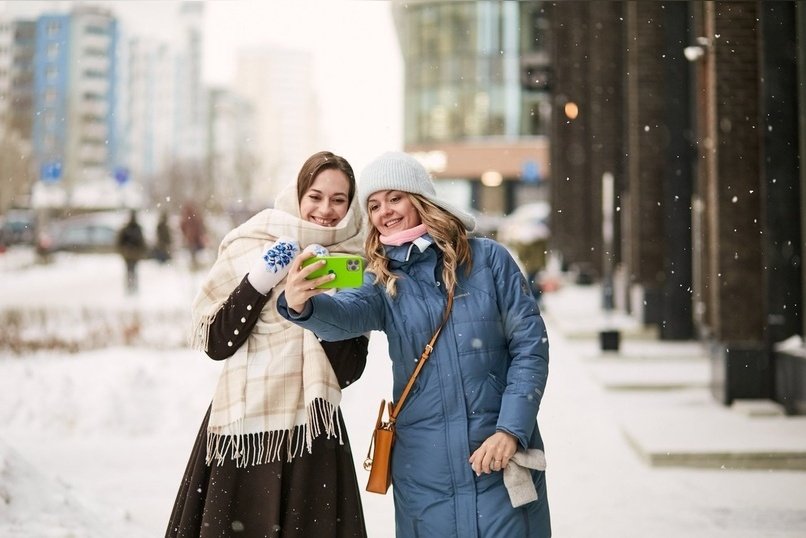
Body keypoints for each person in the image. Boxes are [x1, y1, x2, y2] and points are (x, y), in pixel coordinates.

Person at [278, 151, 551, 537]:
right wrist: (300, 303)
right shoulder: (382, 279)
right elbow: (343, 316)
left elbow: (530, 348)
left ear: (421, 199)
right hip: (424, 471)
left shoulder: (489, 261)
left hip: (498, 459)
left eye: (394, 198)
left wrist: (510, 430)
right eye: (373, 205)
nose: (384, 212)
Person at [166, 151, 369, 538]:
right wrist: (259, 279)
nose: (325, 209)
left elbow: (347, 370)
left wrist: (308, 310)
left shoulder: (352, 262)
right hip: (241, 427)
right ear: (298, 194)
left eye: (339, 199)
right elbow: (216, 342)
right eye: (315, 195)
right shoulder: (253, 241)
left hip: (312, 430)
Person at [116, 209, 149, 294]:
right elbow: (120, 242)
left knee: (131, 271)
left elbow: (141, 243)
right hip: (130, 255)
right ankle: (130, 287)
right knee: (131, 271)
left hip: (132, 255)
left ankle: (132, 287)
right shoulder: (130, 229)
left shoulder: (135, 229)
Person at [180, 202, 208, 270]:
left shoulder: (186, 218)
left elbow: (182, 227)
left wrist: (186, 234)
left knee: (194, 252)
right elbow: (201, 226)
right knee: (195, 252)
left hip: (191, 238)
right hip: (194, 238)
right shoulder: (194, 217)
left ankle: (195, 265)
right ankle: (196, 265)